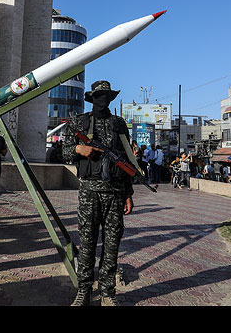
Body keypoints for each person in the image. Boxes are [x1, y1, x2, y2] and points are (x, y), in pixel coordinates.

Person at [62, 80, 134, 307]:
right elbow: (62, 152)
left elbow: (127, 162)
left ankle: (107, 291)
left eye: (105, 96)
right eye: (98, 96)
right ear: (92, 98)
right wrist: (78, 149)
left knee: (112, 244)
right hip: (89, 193)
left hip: (115, 193)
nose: (101, 100)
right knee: (87, 242)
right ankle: (84, 290)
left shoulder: (119, 125)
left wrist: (128, 194)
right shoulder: (79, 122)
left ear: (110, 99)